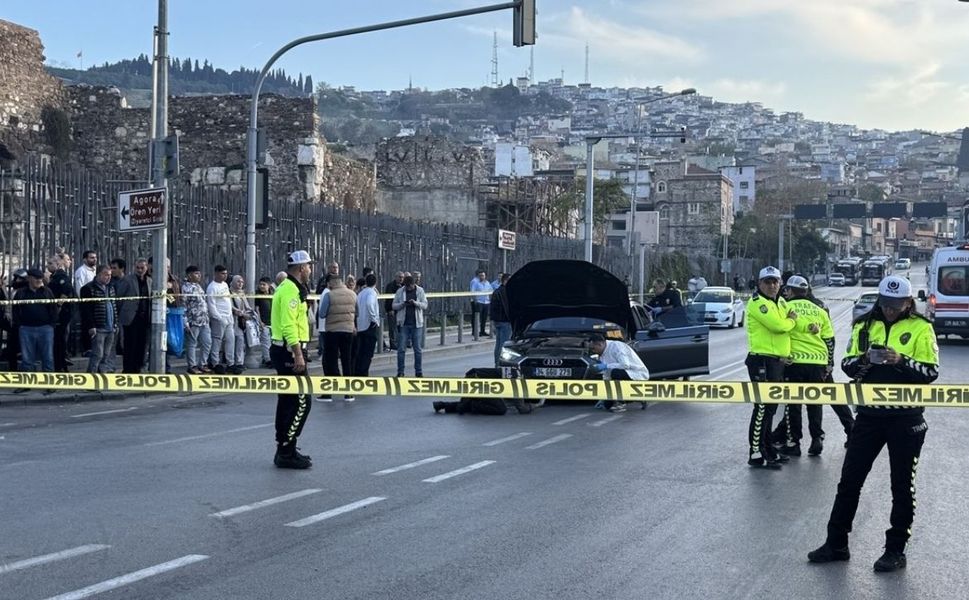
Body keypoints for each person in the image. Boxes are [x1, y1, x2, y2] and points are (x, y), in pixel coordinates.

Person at [808, 275, 938, 573]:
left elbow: (930, 372)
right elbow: (847, 365)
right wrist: (867, 359)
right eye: (886, 304)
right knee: (849, 482)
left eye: (897, 305)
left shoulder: (922, 328)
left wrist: (900, 360)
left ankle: (895, 550)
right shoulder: (863, 326)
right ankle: (836, 543)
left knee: (902, 486)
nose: (890, 311)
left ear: (908, 303)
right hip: (868, 416)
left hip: (906, 419)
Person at [744, 265, 798, 469]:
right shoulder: (758, 303)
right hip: (762, 361)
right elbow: (779, 326)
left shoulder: (781, 301)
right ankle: (756, 452)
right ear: (759, 284)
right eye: (767, 282)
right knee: (762, 408)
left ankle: (768, 448)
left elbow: (791, 323)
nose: (772, 285)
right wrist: (790, 320)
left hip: (777, 362)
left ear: (780, 283)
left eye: (775, 281)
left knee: (771, 408)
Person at [775, 275, 833, 457]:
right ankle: (817, 439)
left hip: (795, 363)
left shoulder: (785, 307)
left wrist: (781, 357)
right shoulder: (820, 310)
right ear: (807, 291)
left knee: (793, 405)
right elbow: (829, 340)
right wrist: (829, 363)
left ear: (789, 291)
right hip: (818, 363)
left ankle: (794, 443)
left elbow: (779, 331)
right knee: (815, 403)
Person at [270, 250, 315, 469]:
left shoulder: (291, 288)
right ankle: (286, 449)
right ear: (300, 268)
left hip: (287, 350)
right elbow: (288, 325)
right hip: (289, 351)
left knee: (288, 401)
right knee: (302, 401)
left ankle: (285, 447)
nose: (310, 269)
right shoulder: (289, 290)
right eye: (308, 266)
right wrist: (298, 353)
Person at [317, 272, 357, 401]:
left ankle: (329, 392)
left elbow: (322, 314)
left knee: (331, 361)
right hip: (348, 331)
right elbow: (358, 312)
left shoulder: (329, 295)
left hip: (332, 332)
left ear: (331, 283)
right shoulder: (353, 294)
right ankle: (349, 393)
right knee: (347, 360)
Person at [13, 268, 58, 379]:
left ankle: (49, 383)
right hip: (26, 328)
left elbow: (53, 308)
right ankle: (26, 383)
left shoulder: (47, 292)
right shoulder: (21, 293)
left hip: (45, 328)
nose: (39, 281)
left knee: (48, 357)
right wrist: (20, 325)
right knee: (27, 358)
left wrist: (51, 325)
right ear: (29, 279)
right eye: (36, 278)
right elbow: (16, 310)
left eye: (40, 278)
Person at [588, 333, 650, 413]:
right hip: (624, 375)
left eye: (593, 348)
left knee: (616, 372)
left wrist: (606, 366)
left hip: (636, 373)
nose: (593, 351)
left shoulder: (617, 346)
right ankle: (637, 396)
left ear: (600, 344)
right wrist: (604, 397)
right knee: (607, 405)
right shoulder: (602, 354)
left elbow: (625, 365)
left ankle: (620, 403)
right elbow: (606, 375)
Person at [115, 258, 151, 374]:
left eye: (142, 268)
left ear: (146, 268)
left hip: (145, 317)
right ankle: (128, 369)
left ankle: (138, 367)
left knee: (142, 344)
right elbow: (119, 297)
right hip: (131, 317)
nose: (140, 270)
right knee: (130, 344)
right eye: (138, 268)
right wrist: (122, 313)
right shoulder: (128, 280)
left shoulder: (150, 281)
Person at [79, 265, 118, 373]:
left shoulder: (111, 287)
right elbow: (86, 310)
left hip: (110, 327)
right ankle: (91, 377)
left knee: (106, 355)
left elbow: (114, 306)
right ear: (99, 274)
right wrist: (91, 326)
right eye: (106, 275)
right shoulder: (88, 288)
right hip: (99, 327)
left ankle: (101, 376)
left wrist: (115, 324)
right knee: (97, 355)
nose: (108, 277)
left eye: (110, 275)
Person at [393, 274, 428, 377]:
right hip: (403, 323)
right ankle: (400, 371)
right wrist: (402, 304)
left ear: (414, 284)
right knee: (401, 349)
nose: (409, 288)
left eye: (410, 287)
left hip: (417, 324)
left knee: (417, 349)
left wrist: (416, 303)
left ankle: (418, 371)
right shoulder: (400, 291)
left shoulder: (420, 291)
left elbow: (425, 305)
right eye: (407, 287)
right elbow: (394, 305)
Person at [46, 254, 75, 372]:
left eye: (50, 263)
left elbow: (65, 292)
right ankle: (60, 363)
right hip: (58, 313)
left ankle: (60, 365)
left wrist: (58, 307)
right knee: (58, 340)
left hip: (62, 313)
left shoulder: (61, 276)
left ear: (58, 264)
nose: (47, 266)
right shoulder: (54, 276)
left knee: (59, 339)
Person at [182, 266, 212, 374]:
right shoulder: (186, 288)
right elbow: (183, 305)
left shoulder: (198, 286)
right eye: (196, 274)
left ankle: (203, 363)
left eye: (199, 273)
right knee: (192, 344)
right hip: (193, 320)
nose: (199, 276)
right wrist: (185, 322)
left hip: (204, 320)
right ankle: (192, 365)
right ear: (189, 275)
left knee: (207, 342)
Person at [206, 265, 234, 373]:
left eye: (226, 273)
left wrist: (230, 314)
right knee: (217, 341)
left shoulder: (225, 285)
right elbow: (211, 304)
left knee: (230, 340)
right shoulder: (212, 287)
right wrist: (217, 317)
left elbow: (227, 301)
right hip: (219, 318)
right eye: (222, 273)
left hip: (228, 317)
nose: (225, 275)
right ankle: (215, 362)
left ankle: (230, 363)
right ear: (216, 273)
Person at [354, 273, 380, 377]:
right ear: (375, 283)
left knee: (360, 351)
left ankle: (357, 371)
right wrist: (374, 319)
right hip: (369, 325)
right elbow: (370, 304)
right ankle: (363, 373)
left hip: (360, 325)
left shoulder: (361, 293)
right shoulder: (372, 293)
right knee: (368, 352)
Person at [229, 275, 253, 374]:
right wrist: (240, 312)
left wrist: (249, 312)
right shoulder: (230, 292)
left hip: (242, 321)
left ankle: (239, 362)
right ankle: (231, 362)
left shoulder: (241, 294)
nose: (240, 284)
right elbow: (230, 306)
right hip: (234, 320)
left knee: (240, 342)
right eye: (238, 282)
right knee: (233, 341)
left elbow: (247, 306)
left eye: (242, 282)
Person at [490, 273, 512, 367]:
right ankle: (501, 364)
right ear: (505, 281)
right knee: (504, 344)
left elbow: (492, 308)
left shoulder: (497, 291)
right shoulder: (507, 292)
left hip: (497, 321)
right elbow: (508, 307)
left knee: (498, 344)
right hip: (505, 321)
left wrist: (492, 321)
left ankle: (497, 363)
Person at [255, 277, 274, 367]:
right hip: (264, 323)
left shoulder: (273, 293)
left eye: (264, 284)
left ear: (269, 285)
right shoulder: (257, 295)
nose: (261, 286)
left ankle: (268, 358)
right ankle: (268, 360)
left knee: (273, 342)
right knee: (266, 342)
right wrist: (260, 321)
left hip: (273, 322)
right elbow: (257, 309)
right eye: (260, 284)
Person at [384, 271, 404, 350]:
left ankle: (400, 343)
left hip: (401, 310)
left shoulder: (404, 286)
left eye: (402, 277)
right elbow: (388, 299)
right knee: (392, 328)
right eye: (399, 277)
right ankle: (393, 344)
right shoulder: (390, 286)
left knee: (400, 327)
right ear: (396, 277)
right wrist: (389, 309)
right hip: (392, 310)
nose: (401, 279)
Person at [470, 269, 491, 337]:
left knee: (484, 318)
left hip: (486, 302)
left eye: (483, 275)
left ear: (485, 276)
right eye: (480, 275)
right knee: (477, 317)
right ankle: (475, 331)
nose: (482, 277)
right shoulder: (476, 283)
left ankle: (482, 331)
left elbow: (491, 290)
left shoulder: (487, 283)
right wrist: (475, 300)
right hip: (479, 302)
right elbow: (472, 292)